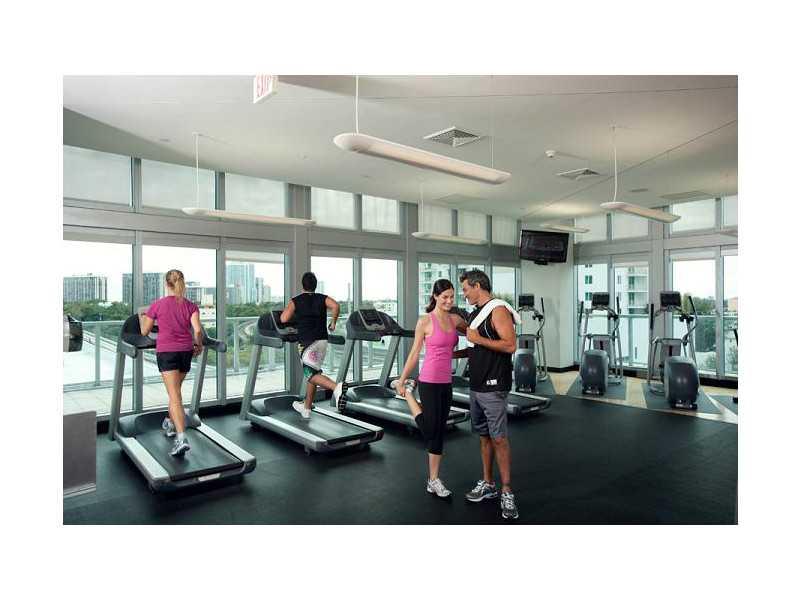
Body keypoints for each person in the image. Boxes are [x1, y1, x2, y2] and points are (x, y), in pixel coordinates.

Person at [395, 279, 468, 498]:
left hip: (446, 381)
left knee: (439, 431)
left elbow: (474, 335)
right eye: (445, 297)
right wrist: (402, 380)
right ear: (435, 296)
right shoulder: (425, 321)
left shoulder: (456, 319)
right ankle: (409, 394)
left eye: (452, 297)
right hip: (428, 380)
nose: (449, 301)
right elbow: (414, 353)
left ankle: (433, 480)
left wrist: (469, 352)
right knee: (430, 430)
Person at [459, 269, 521, 520]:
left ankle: (507, 490)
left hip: (494, 385)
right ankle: (488, 483)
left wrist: (477, 338)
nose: (464, 295)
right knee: (484, 436)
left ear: (477, 286)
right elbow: (476, 346)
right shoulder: (476, 313)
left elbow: (510, 345)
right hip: (476, 384)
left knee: (499, 438)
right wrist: (452, 354)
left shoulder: (498, 310)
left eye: (465, 289)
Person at [139, 269, 204, 457]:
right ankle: (169, 422)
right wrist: (198, 345)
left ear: (167, 284)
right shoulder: (191, 306)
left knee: (175, 395)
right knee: (175, 392)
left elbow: (144, 331)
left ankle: (181, 438)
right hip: (185, 352)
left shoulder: (157, 305)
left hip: (167, 352)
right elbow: (197, 330)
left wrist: (144, 317)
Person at [280, 271, 347, 420]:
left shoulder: (296, 301)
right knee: (314, 372)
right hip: (322, 341)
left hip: (307, 343)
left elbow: (283, 319)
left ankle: (336, 387)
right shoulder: (322, 298)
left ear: (302, 285)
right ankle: (306, 408)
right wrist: (333, 322)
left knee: (310, 374)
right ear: (315, 285)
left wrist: (294, 313)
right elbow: (336, 306)